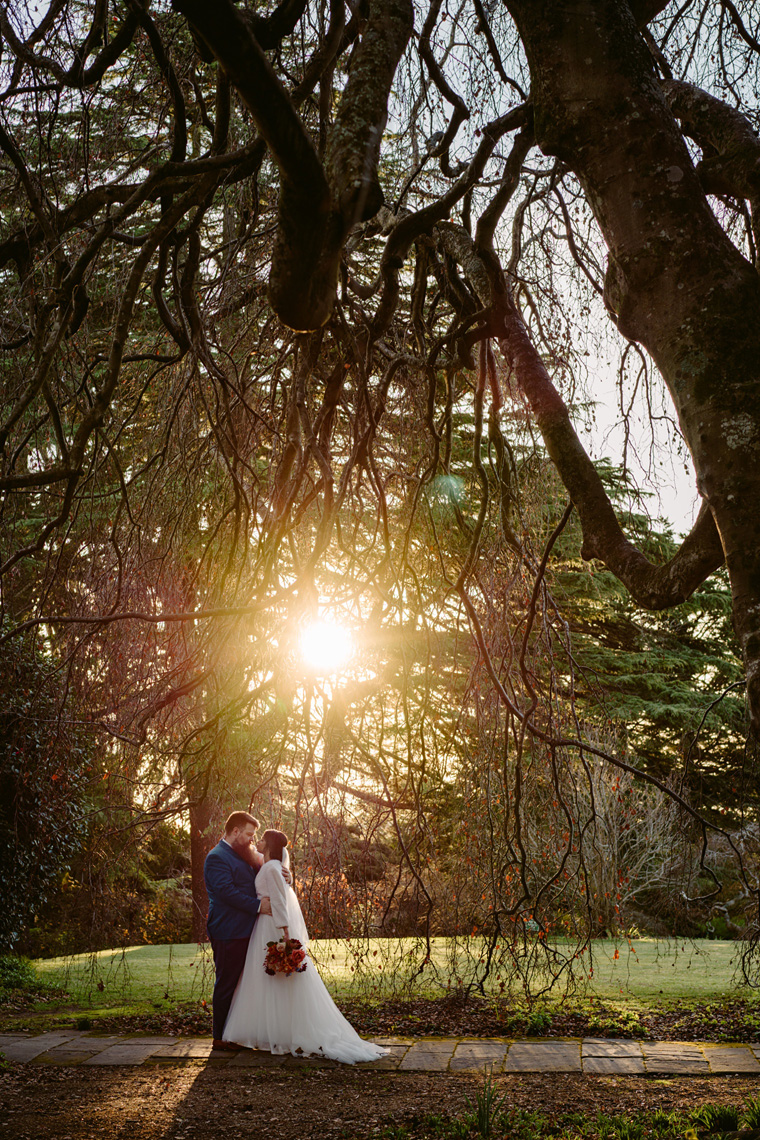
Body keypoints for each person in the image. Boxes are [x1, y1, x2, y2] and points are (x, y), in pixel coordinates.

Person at [223, 829, 388, 1064]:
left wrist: (286, 934)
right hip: (266, 924)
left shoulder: (271, 867)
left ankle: (278, 1032)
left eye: (261, 839)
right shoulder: (271, 864)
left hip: (272, 925)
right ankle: (274, 1031)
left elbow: (279, 900)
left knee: (274, 977)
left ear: (268, 844)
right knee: (270, 979)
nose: (257, 841)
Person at [204, 811, 273, 1052]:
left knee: (243, 982)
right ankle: (220, 1036)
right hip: (228, 929)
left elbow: (266, 867)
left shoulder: (244, 853)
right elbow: (226, 892)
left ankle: (238, 1033)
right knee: (227, 981)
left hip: (246, 929)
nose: (252, 839)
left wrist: (282, 871)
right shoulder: (217, 857)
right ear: (235, 832)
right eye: (248, 834)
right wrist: (258, 906)